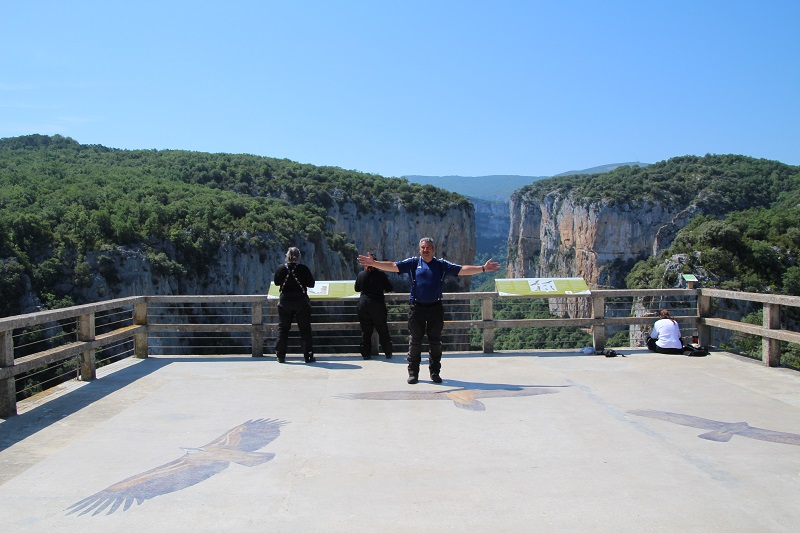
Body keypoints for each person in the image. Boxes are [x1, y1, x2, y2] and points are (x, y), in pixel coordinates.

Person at [357, 237, 501, 384]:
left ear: (433, 249)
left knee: (435, 342)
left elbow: (461, 269)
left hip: (435, 308)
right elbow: (393, 266)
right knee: (414, 342)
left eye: (429, 247)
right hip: (416, 308)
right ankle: (413, 373)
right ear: (420, 249)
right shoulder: (413, 263)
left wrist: (482, 268)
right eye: (423, 247)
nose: (426, 250)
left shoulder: (440, 265)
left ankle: (435, 373)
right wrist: (375, 263)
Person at [273, 247, 316, 363]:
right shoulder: (303, 269)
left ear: (287, 256)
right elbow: (311, 284)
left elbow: (277, 282)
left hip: (285, 302)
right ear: (299, 257)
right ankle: (308, 355)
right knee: (305, 330)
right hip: (301, 302)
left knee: (283, 329)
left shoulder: (281, 268)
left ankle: (280, 355)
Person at [354, 252, 394, 360]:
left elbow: (357, 289)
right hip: (377, 304)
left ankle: (366, 354)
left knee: (366, 330)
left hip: (363, 304)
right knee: (382, 329)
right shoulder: (381, 275)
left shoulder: (361, 275)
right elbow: (389, 288)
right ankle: (388, 352)